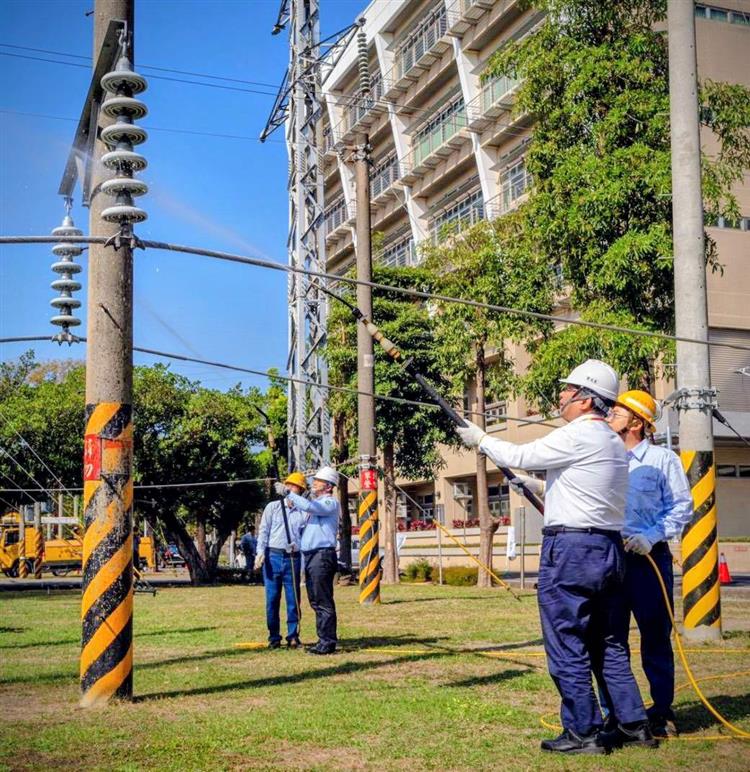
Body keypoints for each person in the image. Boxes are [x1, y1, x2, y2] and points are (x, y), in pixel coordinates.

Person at [456, 359, 655, 755]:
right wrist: (537, 485)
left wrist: (481, 439)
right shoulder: (611, 442)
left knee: (567, 640)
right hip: (608, 549)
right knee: (608, 642)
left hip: (571, 551)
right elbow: (582, 488)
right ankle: (633, 723)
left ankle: (583, 732)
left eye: (566, 390)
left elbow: (524, 453)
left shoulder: (581, 433)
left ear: (584, 399)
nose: (560, 396)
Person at [604, 390, 693, 738]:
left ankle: (661, 712)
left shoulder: (662, 460)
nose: (610, 414)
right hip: (611, 558)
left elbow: (681, 507)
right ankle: (617, 713)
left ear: (637, 423)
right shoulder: (604, 459)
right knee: (610, 639)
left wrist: (652, 536)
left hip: (649, 559)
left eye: (618, 412)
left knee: (655, 637)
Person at [284, 465, 341, 655]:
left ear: (328, 486)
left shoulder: (329, 503)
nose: (313, 484)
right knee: (315, 600)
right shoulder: (314, 507)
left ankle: (327, 642)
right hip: (310, 556)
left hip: (322, 556)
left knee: (322, 599)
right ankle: (322, 638)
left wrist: (289, 494)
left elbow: (309, 506)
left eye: (317, 482)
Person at [255, 472, 307, 649]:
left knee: (293, 600)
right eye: (290, 486)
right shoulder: (273, 507)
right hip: (273, 555)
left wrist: (299, 547)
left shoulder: (303, 512)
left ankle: (293, 636)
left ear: (300, 490)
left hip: (292, 557)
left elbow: (304, 535)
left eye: (296, 487)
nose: (292, 489)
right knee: (272, 599)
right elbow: (264, 531)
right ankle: (274, 637)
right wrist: (260, 552)